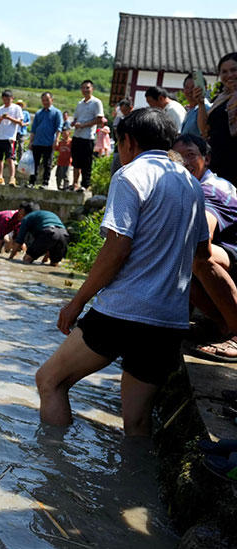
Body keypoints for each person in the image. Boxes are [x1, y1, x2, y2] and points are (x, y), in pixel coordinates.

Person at [35, 108, 209, 436]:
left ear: (128, 141)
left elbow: (116, 250)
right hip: (169, 321)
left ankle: (52, 473)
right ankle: (130, 483)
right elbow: (202, 255)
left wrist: (77, 302)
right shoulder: (192, 184)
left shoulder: (131, 175)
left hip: (124, 311)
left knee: (49, 381)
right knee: (137, 422)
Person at [172, 134, 237, 361]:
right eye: (178, 158)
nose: (186, 163)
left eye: (191, 155)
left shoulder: (212, 189)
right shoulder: (186, 188)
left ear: (206, 159)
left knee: (196, 256)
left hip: (231, 253)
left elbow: (202, 237)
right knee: (176, 255)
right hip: (226, 254)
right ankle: (221, 325)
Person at [195, 52, 237, 186]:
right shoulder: (221, 98)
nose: (229, 75)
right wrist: (201, 103)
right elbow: (204, 129)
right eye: (224, 72)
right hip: (217, 158)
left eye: (234, 70)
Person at [71, 80, 105, 191]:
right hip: (77, 135)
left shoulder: (96, 102)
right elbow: (76, 118)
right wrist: (74, 123)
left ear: (92, 89)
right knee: (75, 161)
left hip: (87, 136)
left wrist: (84, 125)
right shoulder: (80, 103)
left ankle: (85, 185)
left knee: (86, 162)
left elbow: (99, 119)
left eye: (88, 88)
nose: (85, 90)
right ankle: (74, 183)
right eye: (83, 88)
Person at [28, 92, 62, 188]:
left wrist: (57, 140)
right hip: (37, 142)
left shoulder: (56, 113)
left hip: (49, 142)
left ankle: (45, 183)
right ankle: (32, 182)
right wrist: (31, 141)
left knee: (47, 164)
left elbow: (59, 127)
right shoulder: (39, 113)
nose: (45, 102)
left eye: (47, 100)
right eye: (43, 100)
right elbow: (33, 128)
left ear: (52, 99)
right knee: (34, 163)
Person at [0, 89, 22, 186]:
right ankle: (0, 177)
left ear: (12, 99)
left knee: (10, 158)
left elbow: (20, 122)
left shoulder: (16, 108)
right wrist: (1, 119)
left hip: (9, 137)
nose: (6, 102)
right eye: (4, 100)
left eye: (8, 100)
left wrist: (9, 118)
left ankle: (12, 178)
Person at [111, 99, 133, 175]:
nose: (124, 113)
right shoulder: (120, 118)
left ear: (131, 108)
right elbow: (115, 130)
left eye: (125, 110)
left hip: (129, 150)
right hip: (119, 148)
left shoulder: (134, 120)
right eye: (122, 111)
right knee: (115, 170)